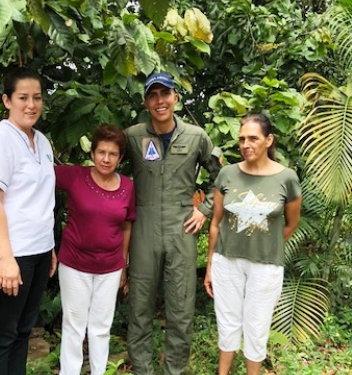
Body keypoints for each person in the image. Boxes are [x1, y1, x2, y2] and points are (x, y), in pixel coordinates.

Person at [125, 72, 222, 375]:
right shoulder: (132, 136)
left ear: (175, 98)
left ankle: (174, 370)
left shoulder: (196, 136)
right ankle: (142, 369)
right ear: (146, 102)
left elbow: (222, 176)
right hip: (143, 229)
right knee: (139, 306)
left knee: (180, 308)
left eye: (164, 94)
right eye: (152, 96)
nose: (159, 101)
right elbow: (109, 168)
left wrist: (204, 209)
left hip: (182, 229)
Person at [203, 113, 302, 375]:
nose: (246, 144)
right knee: (227, 324)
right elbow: (216, 223)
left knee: (256, 328)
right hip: (226, 262)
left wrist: (264, 243)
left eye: (253, 138)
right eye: (242, 139)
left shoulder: (287, 178)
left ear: (269, 140)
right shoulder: (227, 174)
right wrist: (210, 265)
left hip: (266, 266)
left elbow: (292, 223)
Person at [0, 67, 57, 375]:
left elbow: (40, 201)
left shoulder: (43, 142)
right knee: (3, 335)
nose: (31, 105)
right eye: (23, 97)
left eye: (37, 98)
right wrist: (7, 259)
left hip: (37, 252)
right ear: (7, 100)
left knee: (23, 331)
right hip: (10, 254)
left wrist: (48, 247)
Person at [55, 124, 136, 375]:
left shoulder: (127, 187)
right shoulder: (75, 176)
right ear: (92, 153)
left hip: (110, 268)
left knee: (101, 327)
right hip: (74, 265)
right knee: (74, 326)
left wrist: (123, 264)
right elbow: (38, 174)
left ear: (120, 158)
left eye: (113, 154)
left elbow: (126, 227)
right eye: (101, 152)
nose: (106, 159)